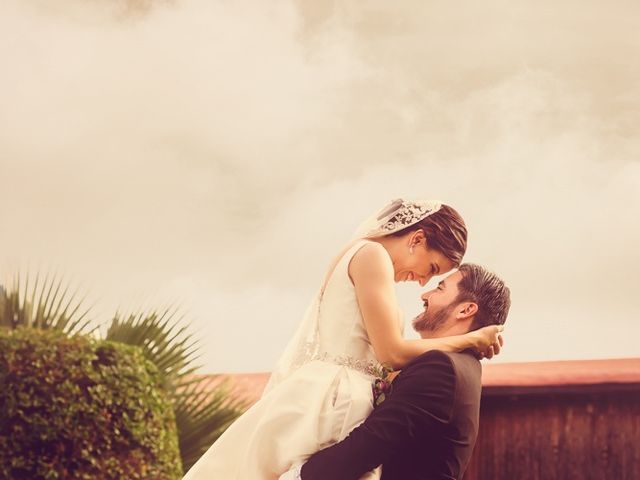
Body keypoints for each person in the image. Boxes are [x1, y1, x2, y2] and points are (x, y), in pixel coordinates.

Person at [182, 200, 502, 480]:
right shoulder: (371, 255)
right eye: (431, 268)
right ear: (416, 239)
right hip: (337, 399)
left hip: (336, 392)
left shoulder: (365, 256)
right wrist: (469, 339)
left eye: (435, 278)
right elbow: (391, 352)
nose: (422, 282)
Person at [282, 263, 511, 480]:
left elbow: (369, 445)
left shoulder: (442, 369)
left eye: (440, 288)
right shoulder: (463, 366)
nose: (425, 295)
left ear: (465, 310)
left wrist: (295, 476)